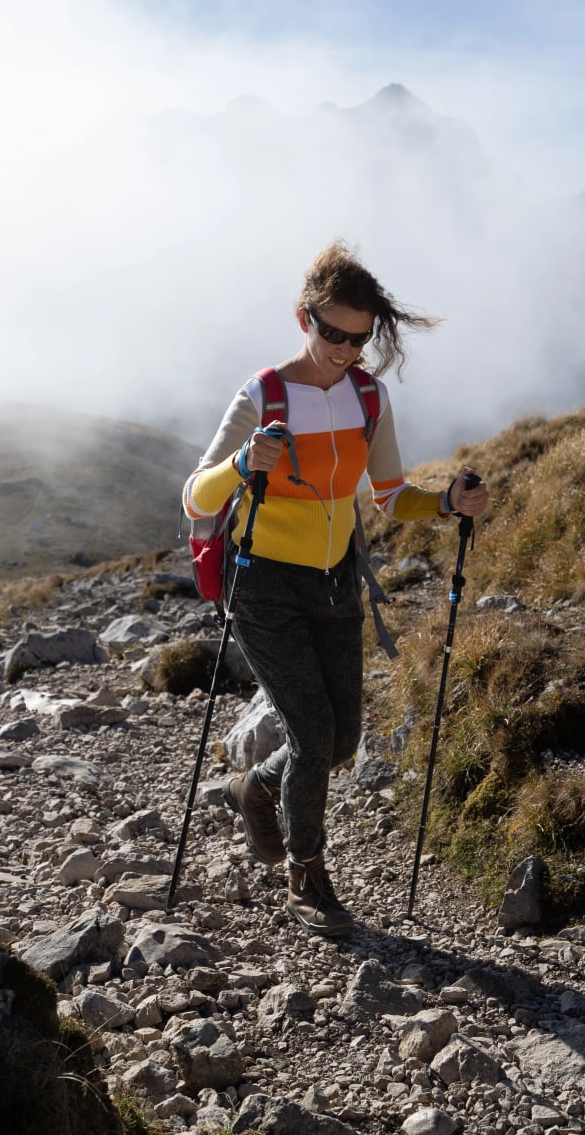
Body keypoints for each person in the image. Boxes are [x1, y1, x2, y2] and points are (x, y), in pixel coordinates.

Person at [181, 242, 490, 936]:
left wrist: (447, 503)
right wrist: (242, 462)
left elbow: (390, 495)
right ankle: (307, 876)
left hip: (334, 580)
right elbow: (196, 495)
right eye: (333, 333)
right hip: (261, 581)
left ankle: (255, 787)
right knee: (313, 731)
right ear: (305, 319)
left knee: (342, 738)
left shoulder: (369, 397)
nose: (346, 351)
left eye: (360, 338)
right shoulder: (264, 394)